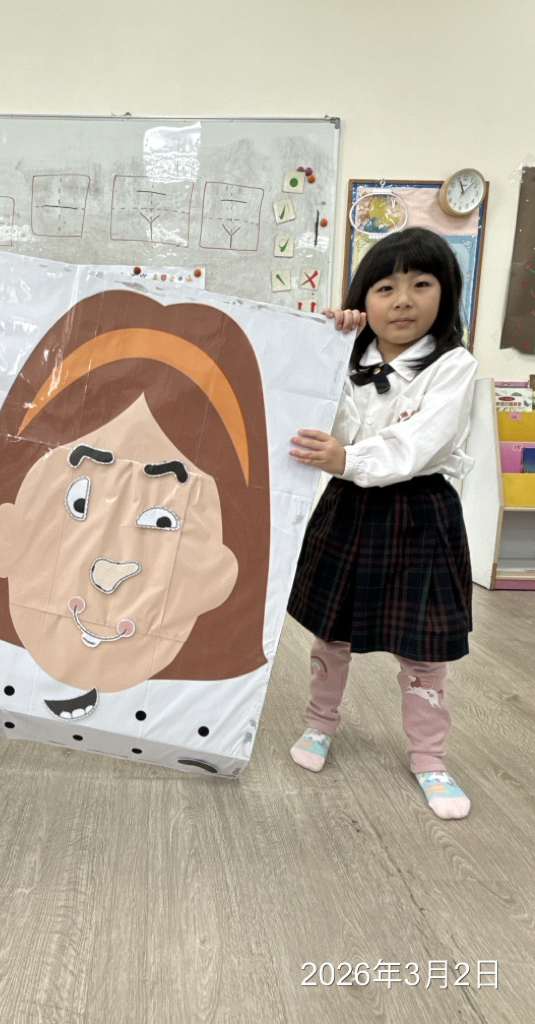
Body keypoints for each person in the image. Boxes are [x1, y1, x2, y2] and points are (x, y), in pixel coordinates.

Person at [0, 289, 272, 694]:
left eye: (162, 520)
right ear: (6, 534)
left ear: (214, 577)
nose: (108, 573)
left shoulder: (201, 710)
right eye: (78, 503)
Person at [286, 227, 476, 820]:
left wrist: (347, 458)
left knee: (424, 648)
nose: (403, 300)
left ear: (446, 293)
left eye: (422, 284)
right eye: (385, 287)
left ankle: (429, 757)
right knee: (332, 631)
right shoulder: (347, 355)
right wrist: (328, 343)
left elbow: (421, 443)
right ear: (363, 298)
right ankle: (320, 723)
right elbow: (321, 421)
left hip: (420, 514)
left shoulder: (454, 365)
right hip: (348, 507)